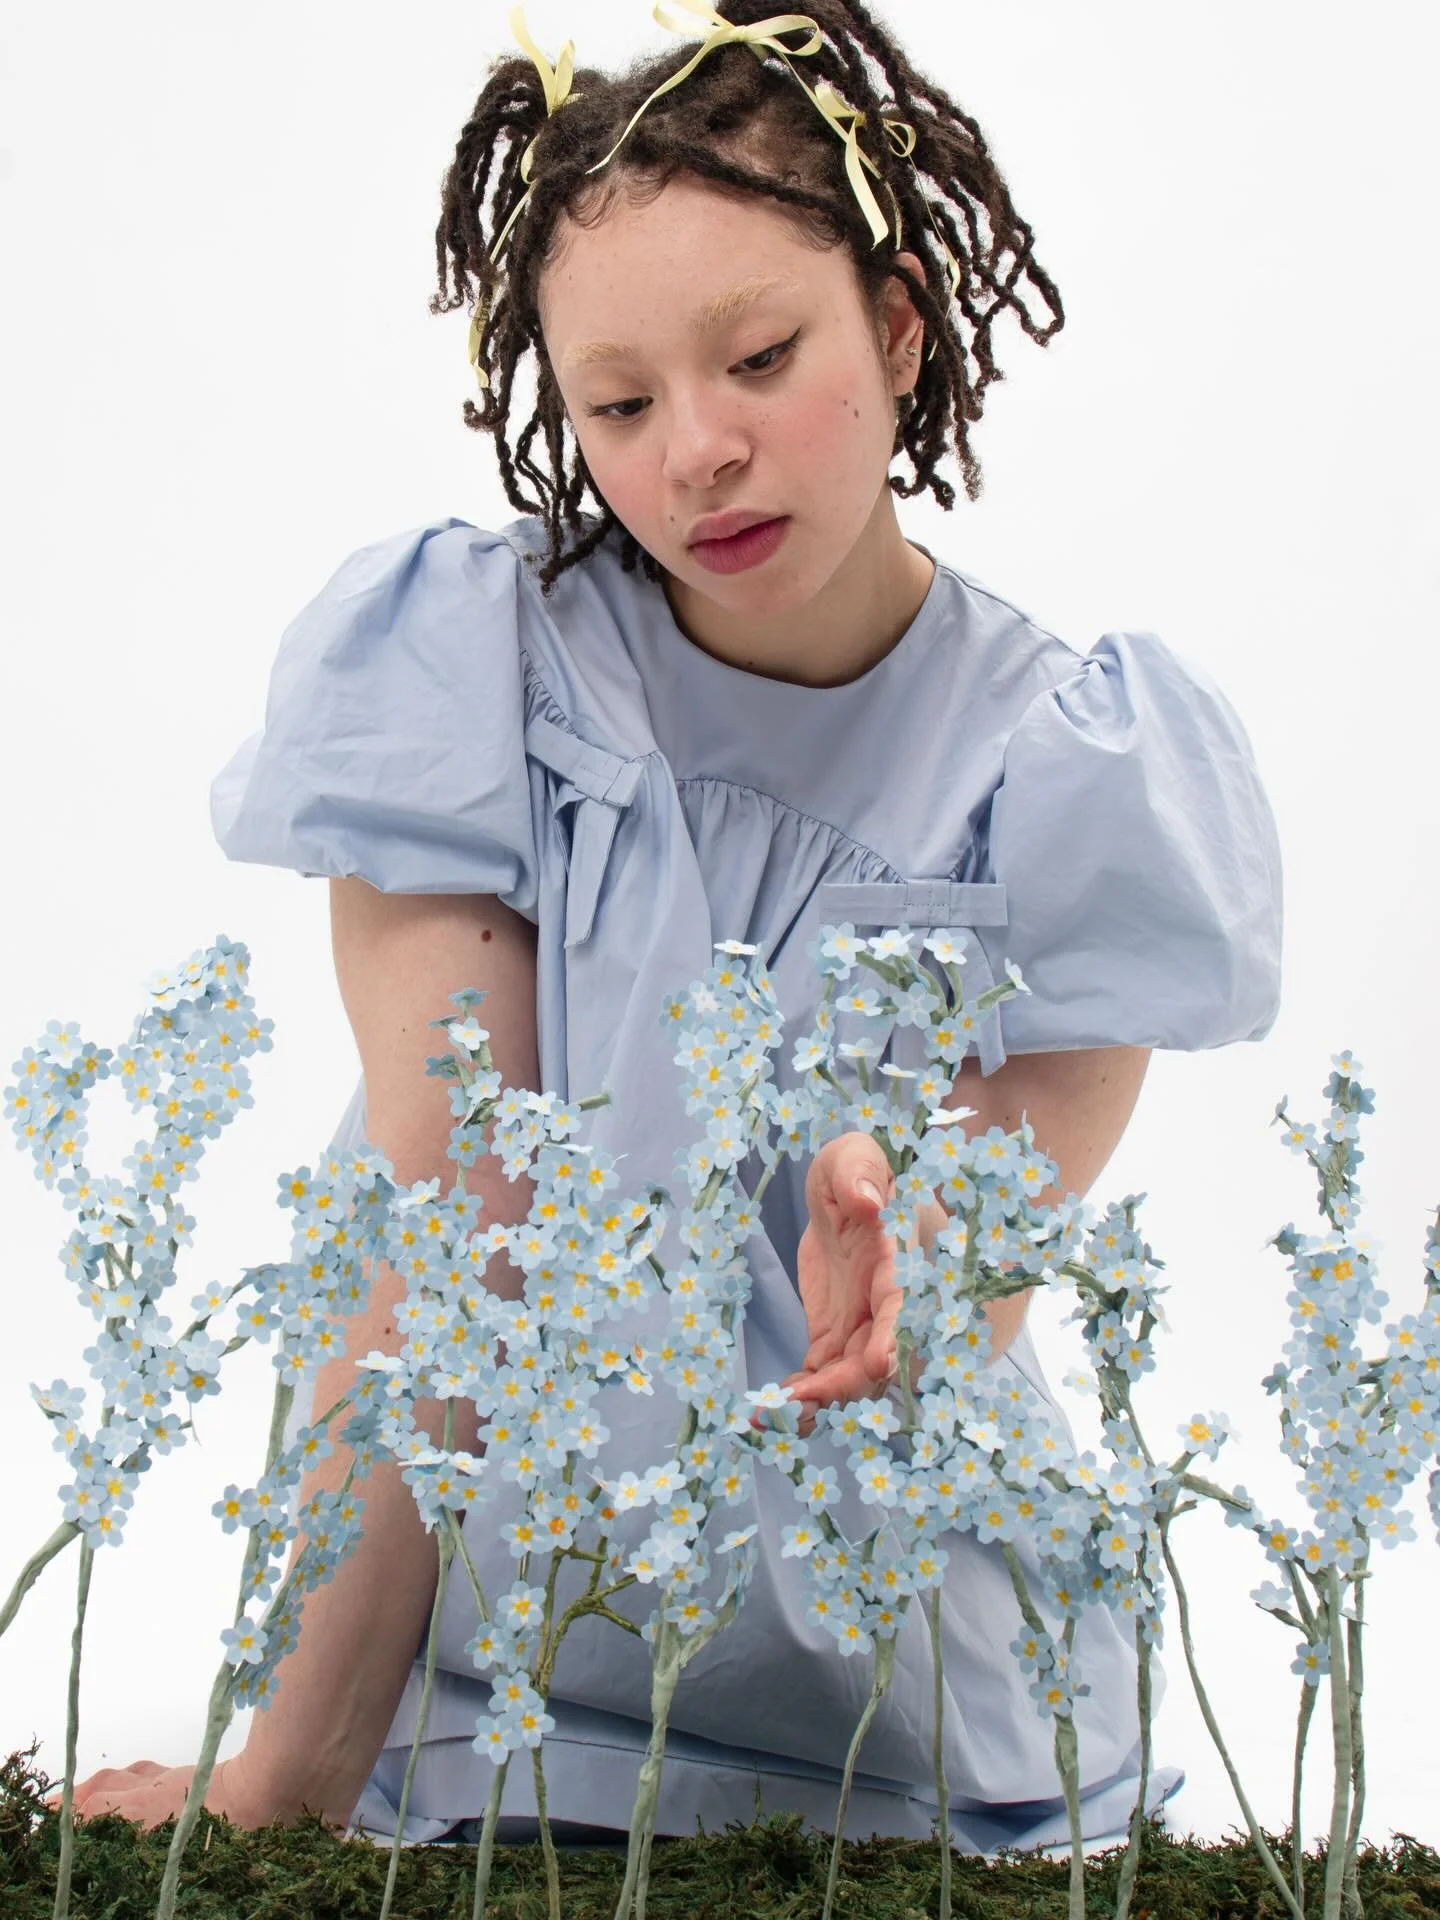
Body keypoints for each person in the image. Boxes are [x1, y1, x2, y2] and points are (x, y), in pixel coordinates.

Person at [66, 0, 1283, 1854]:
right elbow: (434, 1221)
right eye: (620, 404)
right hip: (517, 1649)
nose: (695, 449)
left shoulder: (1067, 756)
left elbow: (1001, 1210)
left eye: (762, 357)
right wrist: (286, 1777)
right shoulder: (473, 677)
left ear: (896, 324)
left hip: (890, 1693)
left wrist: (925, 1245)